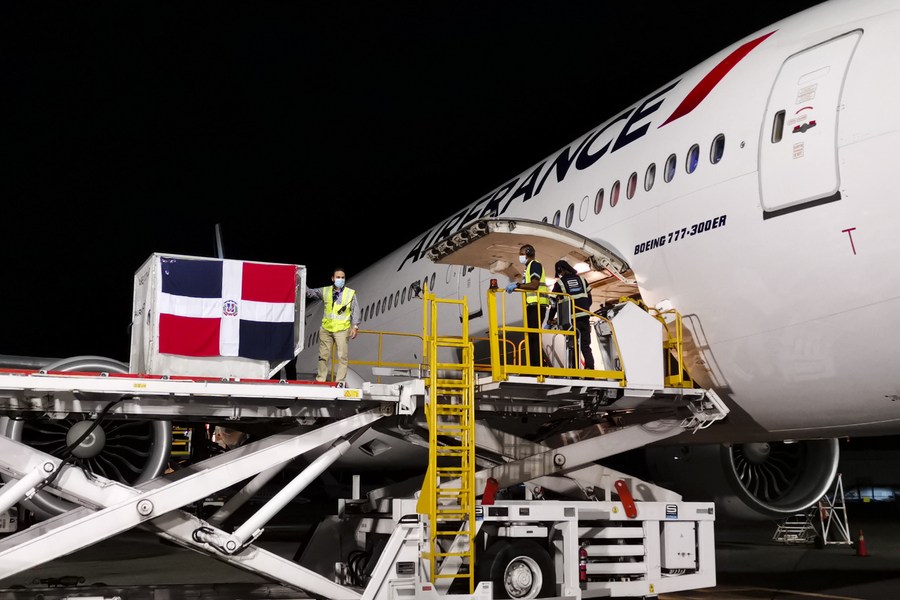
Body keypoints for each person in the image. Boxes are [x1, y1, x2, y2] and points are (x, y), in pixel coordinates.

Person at [307, 267, 360, 384]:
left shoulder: (350, 293)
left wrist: (355, 326)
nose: (340, 280)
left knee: (342, 357)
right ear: (333, 278)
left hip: (342, 329)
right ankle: (320, 379)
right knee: (323, 356)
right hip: (326, 329)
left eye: (342, 278)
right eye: (338, 277)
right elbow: (310, 293)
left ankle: (340, 381)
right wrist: (299, 280)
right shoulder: (325, 291)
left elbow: (355, 310)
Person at [505, 244, 549, 367]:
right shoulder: (529, 267)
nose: (520, 256)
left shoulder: (534, 265)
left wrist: (518, 286)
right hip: (532, 304)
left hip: (537, 304)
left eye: (521, 254)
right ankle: (535, 364)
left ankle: (537, 365)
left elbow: (534, 285)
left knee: (533, 335)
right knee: (531, 335)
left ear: (528, 253)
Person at [546, 260, 595, 371]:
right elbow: (590, 298)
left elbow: (553, 304)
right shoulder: (582, 279)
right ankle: (589, 368)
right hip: (585, 316)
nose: (560, 274)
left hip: (571, 319)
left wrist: (549, 320)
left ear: (561, 270)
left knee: (572, 345)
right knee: (585, 344)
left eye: (559, 272)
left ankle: (574, 370)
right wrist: (584, 309)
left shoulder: (560, 283)